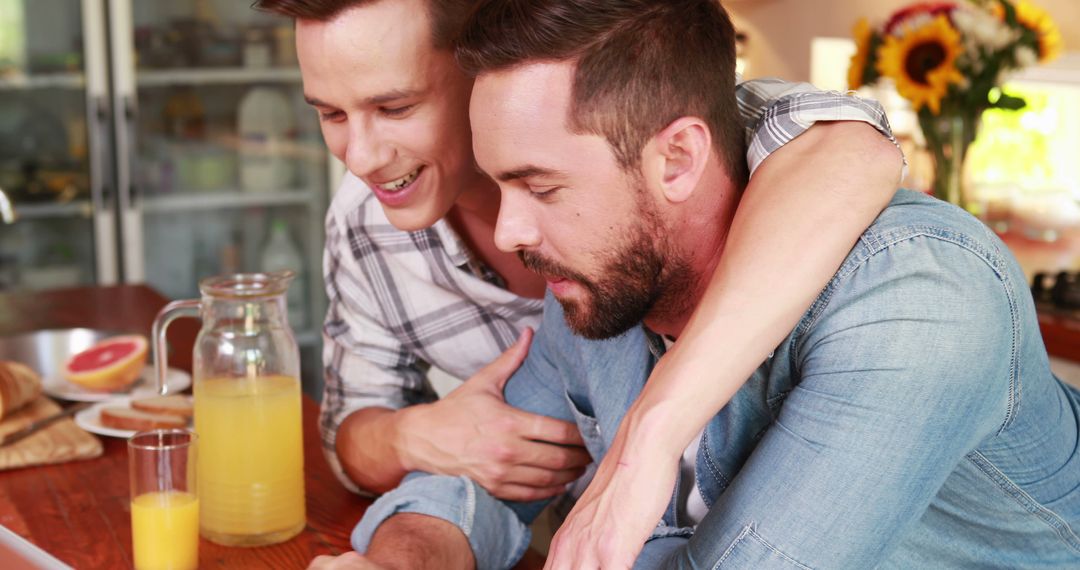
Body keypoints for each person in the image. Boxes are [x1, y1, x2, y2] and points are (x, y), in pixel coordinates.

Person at [333, 0, 1080, 568]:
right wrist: (398, 557)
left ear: (679, 160)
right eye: (504, 186)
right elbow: (472, 493)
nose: (509, 233)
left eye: (543, 187)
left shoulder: (918, 299)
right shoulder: (597, 287)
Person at [253, 0, 904, 512]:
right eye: (331, 114)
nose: (360, 155)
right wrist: (414, 437)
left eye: (394, 106)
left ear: (476, 70)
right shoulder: (366, 219)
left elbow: (852, 151)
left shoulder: (657, 122)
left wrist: (649, 437)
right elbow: (348, 434)